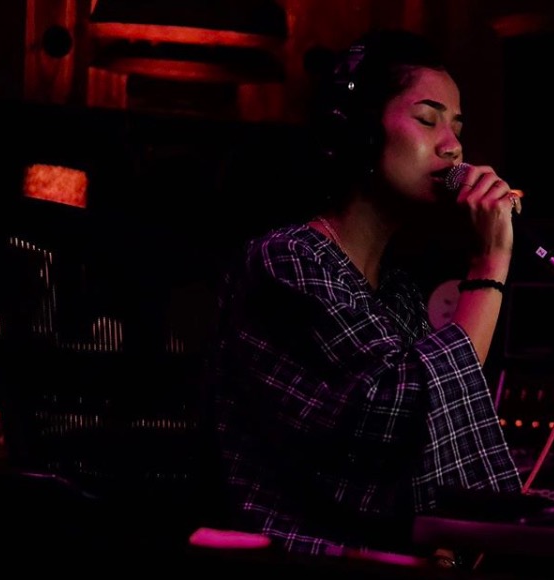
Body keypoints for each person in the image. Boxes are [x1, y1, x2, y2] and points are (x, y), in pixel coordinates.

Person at [206, 27, 524, 565]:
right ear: (358, 132)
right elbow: (400, 410)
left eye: (457, 126)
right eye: (428, 119)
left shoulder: (397, 293)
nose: (453, 146)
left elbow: (433, 441)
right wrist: (489, 263)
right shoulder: (287, 260)